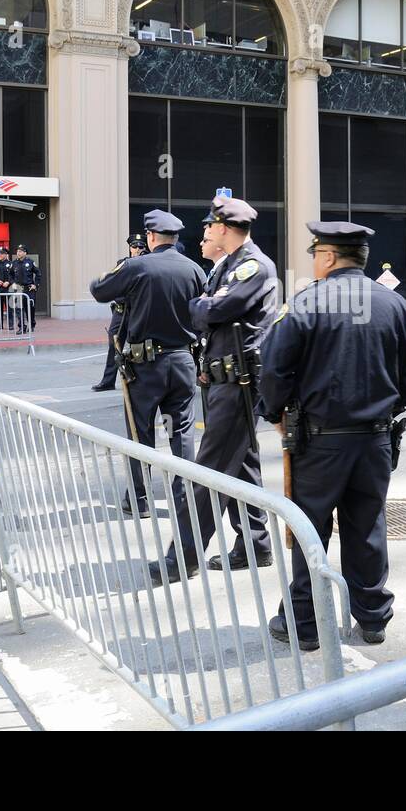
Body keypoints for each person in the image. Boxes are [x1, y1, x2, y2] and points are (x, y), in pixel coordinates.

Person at [260, 221, 406, 650]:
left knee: (309, 530)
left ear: (329, 257)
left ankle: (306, 623)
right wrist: (393, 405)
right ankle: (372, 617)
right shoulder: (395, 305)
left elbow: (275, 369)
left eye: (316, 255)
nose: (315, 263)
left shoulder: (304, 303)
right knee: (367, 525)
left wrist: (275, 413)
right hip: (375, 438)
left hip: (318, 441)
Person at [147, 196, 279, 585]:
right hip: (226, 380)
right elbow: (207, 312)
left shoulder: (252, 266)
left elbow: (210, 312)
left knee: (207, 473)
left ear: (223, 228)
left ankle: (182, 557)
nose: (204, 231)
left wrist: (204, 306)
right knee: (241, 466)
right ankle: (255, 546)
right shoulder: (232, 267)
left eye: (209, 226)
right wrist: (205, 307)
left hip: (239, 384)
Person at [88, 210, 205, 518]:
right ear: (175, 238)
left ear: (151, 237)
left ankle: (139, 500)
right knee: (181, 433)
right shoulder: (194, 269)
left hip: (145, 365)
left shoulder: (136, 266)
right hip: (182, 361)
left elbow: (98, 289)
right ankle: (184, 499)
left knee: (141, 434)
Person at [94, 234, 147, 393]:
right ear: (130, 248)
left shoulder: (148, 264)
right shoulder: (122, 264)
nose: (137, 249)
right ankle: (108, 381)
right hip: (120, 311)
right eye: (134, 246)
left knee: (140, 347)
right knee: (114, 346)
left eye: (140, 246)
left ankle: (139, 379)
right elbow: (114, 285)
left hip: (137, 312)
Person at [11, 245, 41, 332]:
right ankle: (21, 327)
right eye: (17, 251)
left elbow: (38, 274)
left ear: (25, 253)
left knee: (30, 308)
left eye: (20, 251)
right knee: (18, 309)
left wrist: (35, 285)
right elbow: (10, 275)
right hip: (19, 289)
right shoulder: (14, 263)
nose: (18, 253)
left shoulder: (30, 262)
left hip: (29, 289)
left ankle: (31, 325)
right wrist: (13, 283)